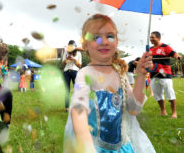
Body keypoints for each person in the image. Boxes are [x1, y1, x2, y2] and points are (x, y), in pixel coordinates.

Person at [64, 14, 155, 153]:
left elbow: (134, 109)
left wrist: (141, 75)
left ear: (117, 42)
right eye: (96, 37)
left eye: (110, 36)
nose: (104, 41)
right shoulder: (86, 74)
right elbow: (78, 111)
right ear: (85, 45)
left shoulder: (120, 74)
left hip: (123, 148)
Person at [149, 31, 181, 118]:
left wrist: (177, 57)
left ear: (158, 38)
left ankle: (174, 113)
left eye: (153, 37)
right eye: (150, 37)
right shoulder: (150, 49)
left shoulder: (165, 47)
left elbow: (174, 54)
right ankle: (163, 111)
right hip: (154, 75)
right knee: (157, 93)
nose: (151, 39)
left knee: (169, 93)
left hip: (165, 75)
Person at [62, 40, 82, 112]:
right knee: (67, 90)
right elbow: (63, 63)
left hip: (75, 73)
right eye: (69, 46)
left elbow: (79, 65)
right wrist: (67, 59)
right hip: (66, 72)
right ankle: (67, 107)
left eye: (71, 46)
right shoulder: (66, 52)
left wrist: (74, 59)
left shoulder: (79, 53)